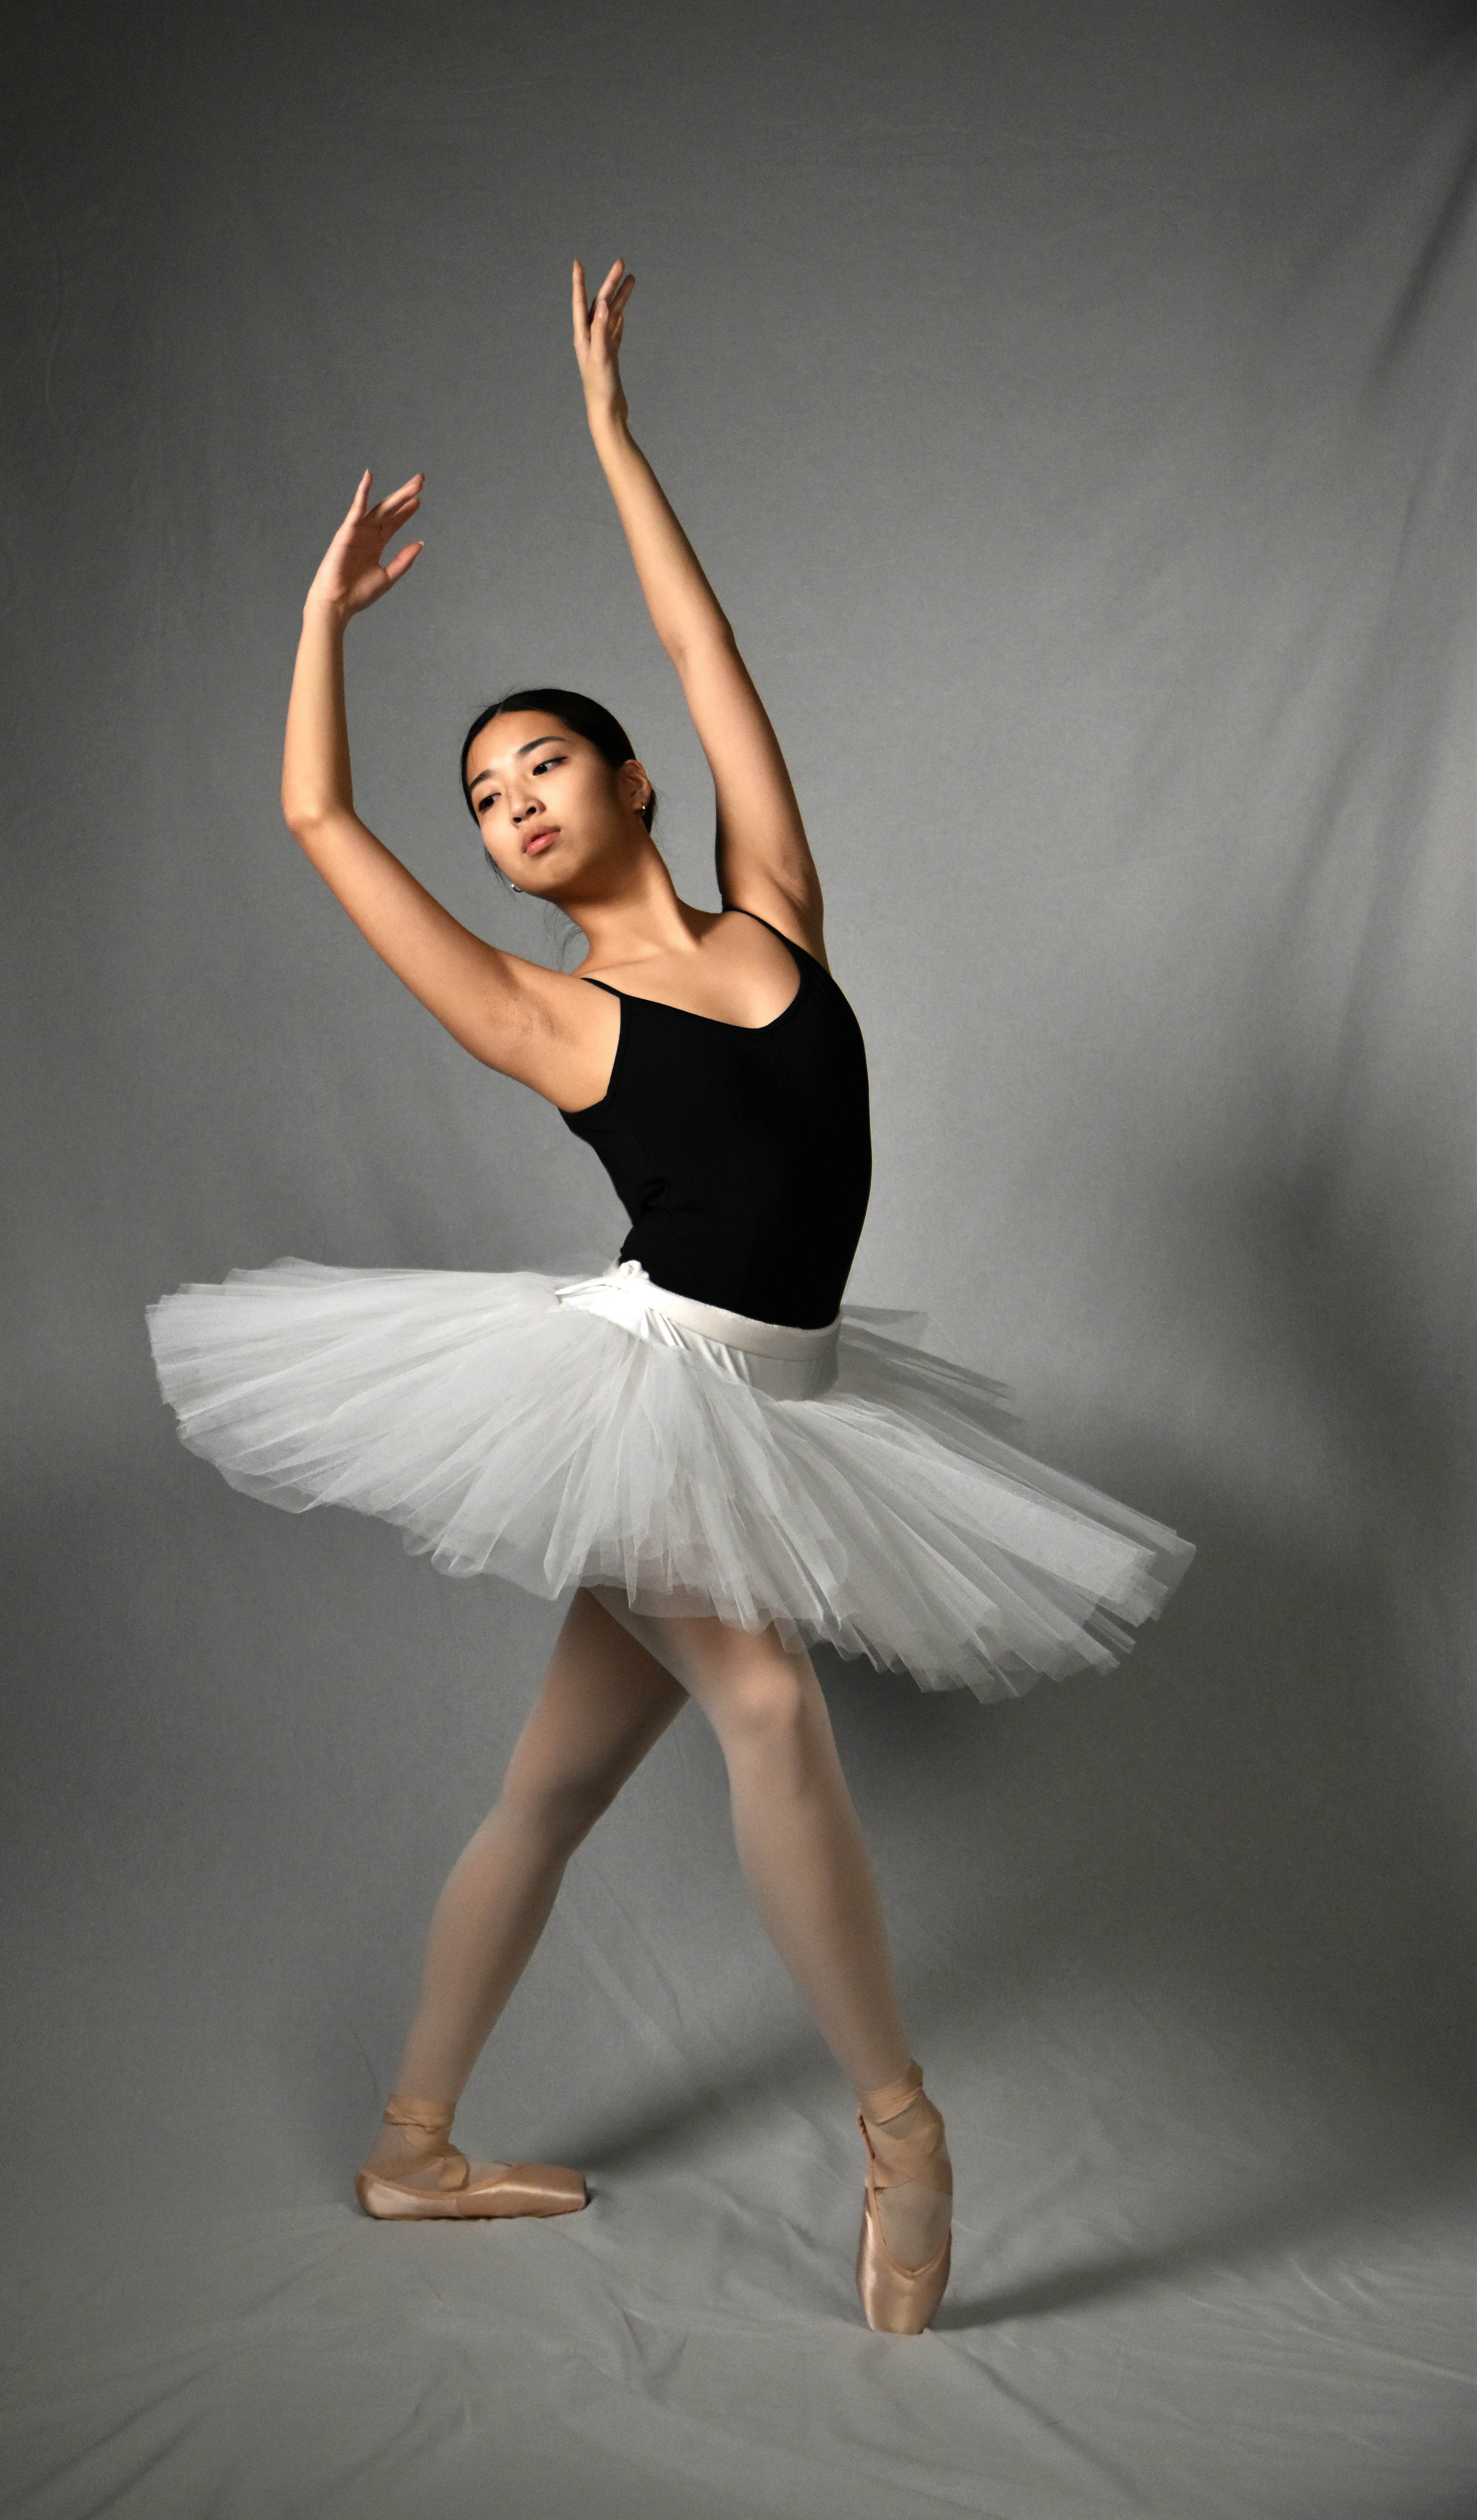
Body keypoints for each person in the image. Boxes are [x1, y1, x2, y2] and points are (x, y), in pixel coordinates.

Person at [147, 258, 1192, 2335]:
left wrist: (615, 437)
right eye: (487, 799)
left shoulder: (776, 906)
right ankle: (901, 2129)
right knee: (768, 1707)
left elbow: (702, 646)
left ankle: (409, 2144)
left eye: (543, 763)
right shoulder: (545, 1016)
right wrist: (310, 631)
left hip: (798, 1408)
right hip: (654, 1394)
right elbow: (314, 815)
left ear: (631, 785)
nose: (513, 802)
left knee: (548, 1790)